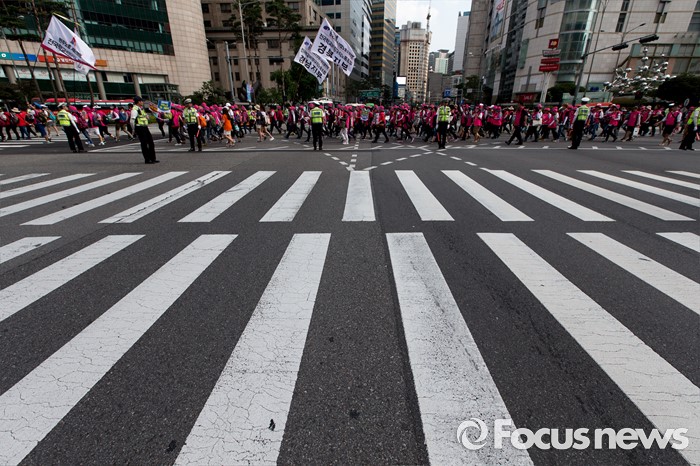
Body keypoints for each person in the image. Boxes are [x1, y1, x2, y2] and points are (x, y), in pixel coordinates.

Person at [131, 96, 158, 163]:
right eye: (141, 101)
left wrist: (147, 116)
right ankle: (147, 159)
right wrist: (133, 129)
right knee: (144, 143)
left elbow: (144, 117)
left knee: (151, 143)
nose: (142, 102)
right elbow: (132, 120)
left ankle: (153, 158)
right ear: (138, 102)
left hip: (145, 127)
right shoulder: (135, 110)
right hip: (139, 127)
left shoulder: (141, 109)